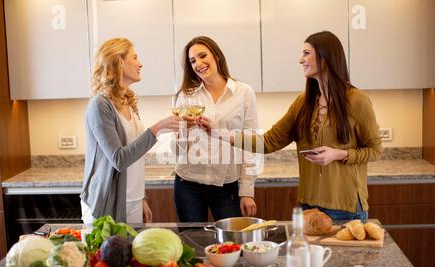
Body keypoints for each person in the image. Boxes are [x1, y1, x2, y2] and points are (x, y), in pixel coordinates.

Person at [198, 31, 383, 221]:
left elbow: (375, 150)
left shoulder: (357, 101)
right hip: (309, 206)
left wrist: (339, 154)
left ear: (325, 57)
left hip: (345, 207)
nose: (300, 60)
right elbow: (268, 142)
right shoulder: (303, 103)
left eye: (306, 53)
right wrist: (220, 134)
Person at [80, 38, 180, 225]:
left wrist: (141, 198)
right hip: (107, 202)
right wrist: (157, 128)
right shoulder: (100, 105)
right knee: (106, 254)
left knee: (130, 253)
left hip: (133, 200)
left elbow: (135, 158)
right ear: (119, 62)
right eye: (135, 57)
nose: (140, 63)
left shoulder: (128, 100)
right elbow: (119, 159)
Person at [173, 35, 259, 222]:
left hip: (227, 186)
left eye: (203, 56)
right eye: (193, 60)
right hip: (187, 184)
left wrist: (247, 191)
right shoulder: (185, 96)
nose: (198, 63)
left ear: (217, 56)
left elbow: (252, 143)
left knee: (233, 243)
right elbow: (177, 152)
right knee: (192, 244)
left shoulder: (243, 93)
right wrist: (182, 133)